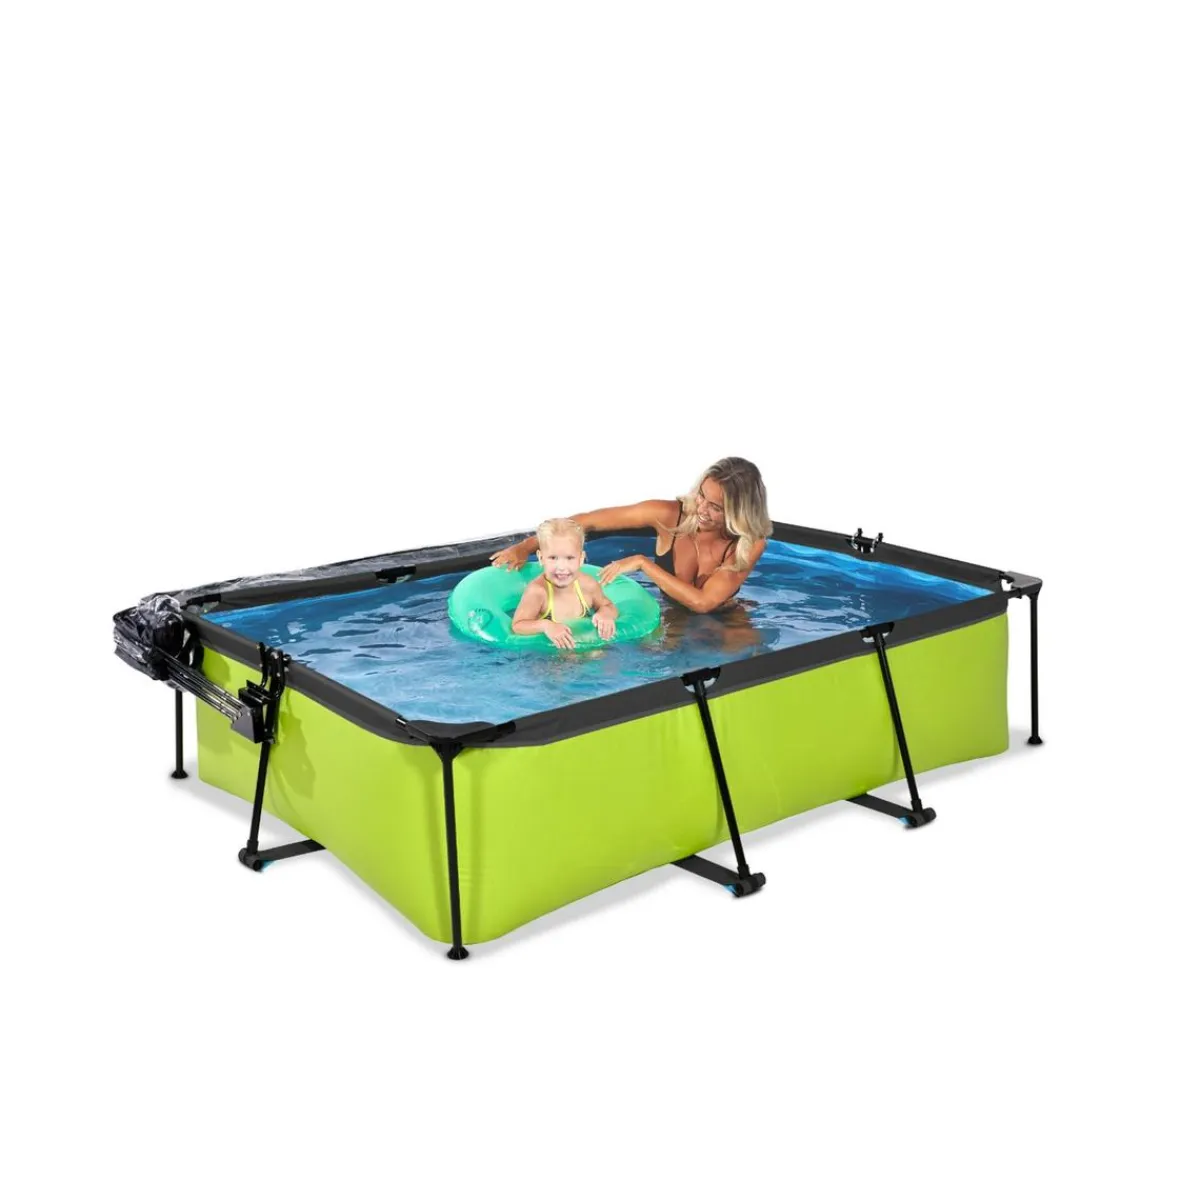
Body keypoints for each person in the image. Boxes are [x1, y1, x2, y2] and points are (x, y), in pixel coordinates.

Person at [491, 457, 772, 614]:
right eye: (701, 496)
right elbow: (589, 521)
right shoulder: (667, 514)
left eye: (716, 508)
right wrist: (526, 546)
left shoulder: (749, 543)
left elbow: (703, 602)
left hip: (728, 618)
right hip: (672, 615)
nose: (701, 509)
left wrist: (642, 563)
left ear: (740, 513)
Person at [509, 518, 619, 649]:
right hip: (550, 654)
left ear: (581, 558)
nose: (561, 567)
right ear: (541, 558)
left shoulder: (588, 585)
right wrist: (546, 625)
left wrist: (605, 614)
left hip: (586, 647)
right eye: (553, 558)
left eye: (570, 558)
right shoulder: (538, 591)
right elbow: (518, 625)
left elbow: (607, 605)